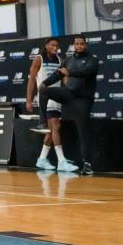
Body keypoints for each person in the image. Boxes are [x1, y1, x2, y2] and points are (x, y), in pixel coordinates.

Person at [36, 36, 99, 175]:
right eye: (77, 44)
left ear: (86, 45)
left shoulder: (92, 60)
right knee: (44, 90)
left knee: (83, 131)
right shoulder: (69, 60)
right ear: (74, 45)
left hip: (83, 100)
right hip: (69, 95)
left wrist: (70, 73)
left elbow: (85, 73)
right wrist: (45, 83)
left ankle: (87, 164)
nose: (79, 46)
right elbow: (58, 74)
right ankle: (42, 122)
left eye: (82, 44)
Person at [26, 39, 75, 172]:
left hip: (57, 98)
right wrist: (29, 100)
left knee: (52, 130)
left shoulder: (60, 59)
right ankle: (62, 161)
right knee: (55, 127)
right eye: (52, 45)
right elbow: (31, 80)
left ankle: (42, 159)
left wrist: (68, 82)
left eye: (57, 46)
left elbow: (64, 79)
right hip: (46, 98)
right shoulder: (39, 59)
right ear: (46, 46)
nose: (55, 47)